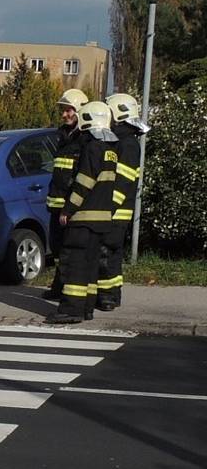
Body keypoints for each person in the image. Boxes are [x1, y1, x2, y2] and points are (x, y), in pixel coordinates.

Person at [47, 101, 119, 324]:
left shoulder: (91, 148)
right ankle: (87, 308)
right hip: (101, 221)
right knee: (90, 265)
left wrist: (68, 209)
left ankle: (71, 310)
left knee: (75, 264)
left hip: (83, 219)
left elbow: (83, 183)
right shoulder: (109, 151)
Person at [96, 93, 147, 311]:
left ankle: (108, 297)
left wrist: (108, 207)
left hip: (115, 212)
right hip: (117, 211)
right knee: (112, 254)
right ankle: (111, 295)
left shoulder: (126, 144)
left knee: (106, 253)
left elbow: (123, 181)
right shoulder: (124, 141)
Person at [42, 88, 89, 300]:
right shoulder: (62, 135)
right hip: (57, 204)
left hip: (73, 205)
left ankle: (67, 289)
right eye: (63, 111)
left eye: (69, 110)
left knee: (69, 250)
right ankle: (59, 286)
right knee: (58, 248)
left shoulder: (85, 138)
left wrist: (71, 205)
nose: (64, 115)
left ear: (79, 110)